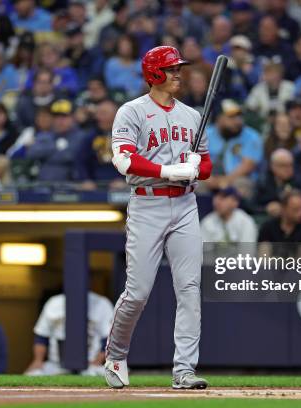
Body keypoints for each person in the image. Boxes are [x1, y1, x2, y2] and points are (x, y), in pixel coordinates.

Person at [105, 46, 212, 390]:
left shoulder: (192, 116)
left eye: (179, 68)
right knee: (137, 292)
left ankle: (184, 370)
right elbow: (124, 160)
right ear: (154, 74)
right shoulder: (131, 111)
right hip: (147, 203)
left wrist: (196, 168)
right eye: (171, 69)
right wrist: (170, 170)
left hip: (184, 205)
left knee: (190, 289)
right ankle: (116, 355)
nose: (178, 73)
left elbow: (206, 165)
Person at [25, 290, 114, 376]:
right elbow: (41, 337)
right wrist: (38, 361)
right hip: (56, 365)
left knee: (113, 377)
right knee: (32, 374)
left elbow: (108, 340)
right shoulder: (54, 302)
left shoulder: (101, 303)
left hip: (91, 366)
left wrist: (97, 361)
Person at [205, 99, 263, 196]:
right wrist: (208, 179)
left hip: (237, 178)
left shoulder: (252, 136)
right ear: (219, 118)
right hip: (209, 178)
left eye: (239, 116)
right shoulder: (206, 134)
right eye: (231, 117)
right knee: (194, 184)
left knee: (242, 184)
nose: (237, 121)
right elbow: (196, 160)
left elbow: (248, 166)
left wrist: (225, 181)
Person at [24, 99, 87, 182]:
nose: (60, 121)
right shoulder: (45, 135)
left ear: (72, 118)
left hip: (71, 185)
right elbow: (31, 153)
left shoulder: (81, 136)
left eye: (64, 117)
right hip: (44, 185)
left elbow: (71, 156)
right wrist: (56, 147)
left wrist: (46, 156)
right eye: (56, 117)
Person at [254, 148, 301, 217]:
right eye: (283, 165)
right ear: (273, 166)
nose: (288, 169)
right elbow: (252, 206)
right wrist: (265, 209)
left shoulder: (300, 182)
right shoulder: (263, 182)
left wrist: (286, 208)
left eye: (290, 165)